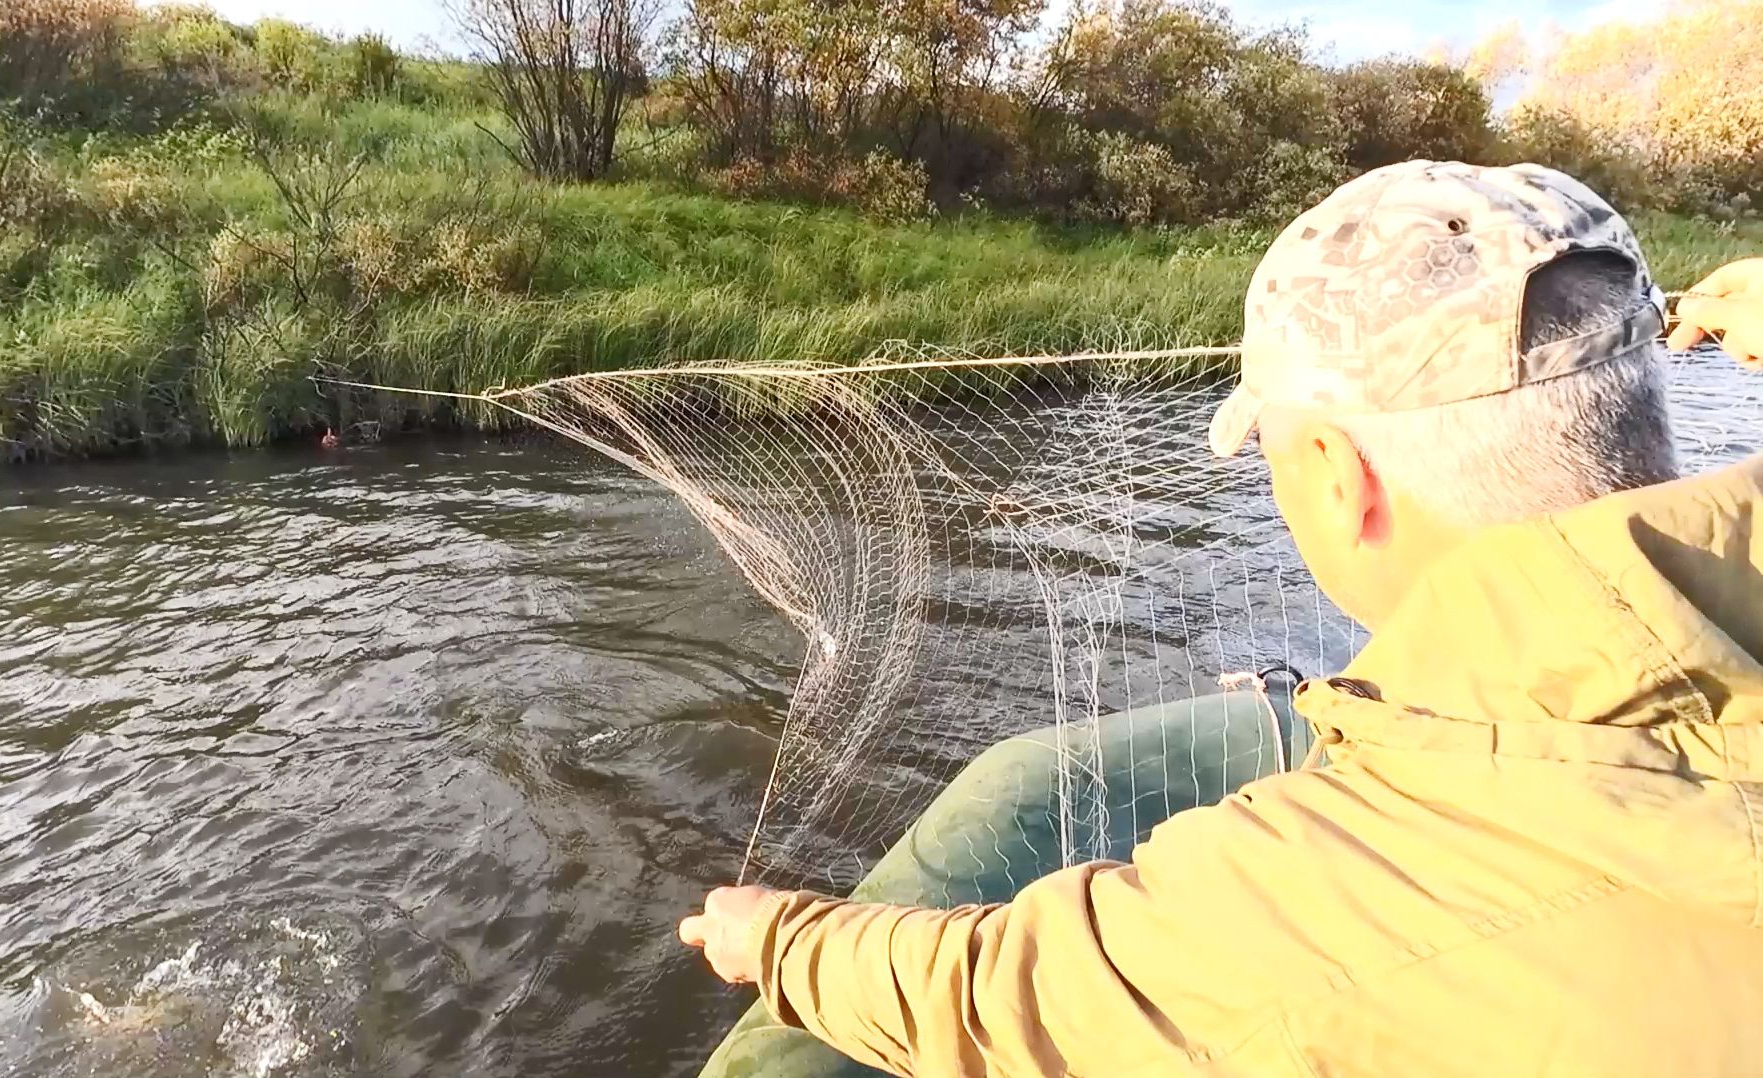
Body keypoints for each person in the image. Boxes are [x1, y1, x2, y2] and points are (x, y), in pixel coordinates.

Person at [680, 160, 1763, 1077]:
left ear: (1340, 476)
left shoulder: (1330, 882)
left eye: (1276, 455)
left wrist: (771, 934)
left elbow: (1003, 995)